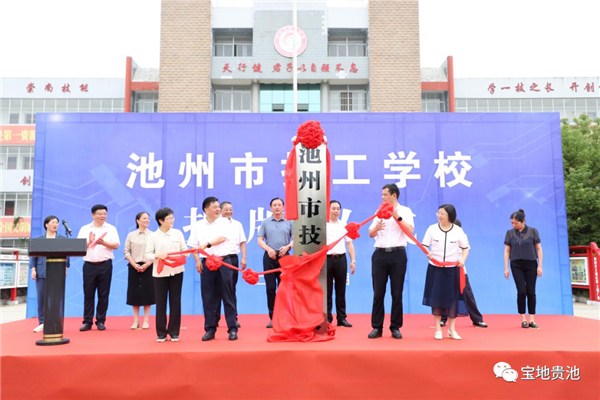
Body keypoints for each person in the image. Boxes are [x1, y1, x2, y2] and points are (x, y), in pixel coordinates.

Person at [187, 197, 238, 341]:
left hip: (223, 261)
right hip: (207, 263)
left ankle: (232, 328)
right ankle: (210, 329)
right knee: (208, 297)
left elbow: (222, 238)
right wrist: (197, 261)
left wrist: (207, 244)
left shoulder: (224, 222)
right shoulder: (197, 225)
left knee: (228, 295)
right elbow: (193, 245)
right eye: (215, 207)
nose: (218, 209)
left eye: (218, 207)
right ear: (206, 209)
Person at [367, 183, 414, 339]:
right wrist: (376, 228)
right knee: (378, 293)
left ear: (394, 195)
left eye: (385, 194)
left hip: (398, 255)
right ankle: (377, 327)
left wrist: (396, 215)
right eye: (382, 195)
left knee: (397, 292)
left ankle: (395, 327)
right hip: (379, 255)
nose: (383, 197)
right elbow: (371, 233)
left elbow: (410, 231)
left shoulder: (405, 211)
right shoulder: (378, 211)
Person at [422, 204, 469, 340]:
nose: (439, 215)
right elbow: (424, 245)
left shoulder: (458, 231)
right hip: (435, 268)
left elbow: (466, 248)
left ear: (450, 215)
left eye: (442, 213)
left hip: (452, 268)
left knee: (452, 299)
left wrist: (463, 260)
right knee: (436, 298)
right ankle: (438, 329)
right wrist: (428, 253)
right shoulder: (432, 229)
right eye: (438, 213)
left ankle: (452, 329)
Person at [145, 207, 187, 342]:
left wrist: (179, 256)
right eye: (169, 218)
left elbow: (185, 250)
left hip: (177, 271)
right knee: (161, 302)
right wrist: (157, 255)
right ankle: (161, 333)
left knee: (176, 301)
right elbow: (147, 255)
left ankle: (174, 332)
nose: (172, 220)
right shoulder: (153, 236)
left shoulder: (177, 233)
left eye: (172, 218)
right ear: (160, 220)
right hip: (160, 273)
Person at [77, 204, 120, 332]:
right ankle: (87, 321)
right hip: (89, 265)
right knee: (88, 294)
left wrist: (104, 242)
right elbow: (79, 246)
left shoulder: (111, 228)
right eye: (100, 214)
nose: (103, 216)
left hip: (105, 265)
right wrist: (90, 242)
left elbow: (116, 245)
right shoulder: (85, 228)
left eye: (105, 214)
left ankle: (101, 321)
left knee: (103, 294)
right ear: (93, 215)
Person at [440, 219, 487, 328]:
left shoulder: (462, 237)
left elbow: (466, 251)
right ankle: (443, 319)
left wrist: (461, 261)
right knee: (445, 295)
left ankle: (477, 319)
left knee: (468, 295)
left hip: (460, 270)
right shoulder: (443, 236)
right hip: (445, 269)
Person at [29, 215, 70, 333]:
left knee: (56, 298)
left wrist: (66, 268)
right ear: (46, 225)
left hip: (57, 271)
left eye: (57, 222)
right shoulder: (39, 240)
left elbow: (67, 255)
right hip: (42, 271)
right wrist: (33, 269)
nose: (55, 224)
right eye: (53, 222)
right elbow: (33, 255)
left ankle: (55, 321)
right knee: (42, 298)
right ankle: (42, 322)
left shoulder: (62, 239)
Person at [257, 197, 293, 328]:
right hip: (270, 257)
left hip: (285, 257)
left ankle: (286, 317)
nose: (277, 207)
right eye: (274, 205)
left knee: (285, 288)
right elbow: (260, 240)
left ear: (283, 207)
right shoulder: (266, 222)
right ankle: (272, 317)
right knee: (270, 288)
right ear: (270, 207)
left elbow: (296, 239)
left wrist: (288, 247)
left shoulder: (289, 222)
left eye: (279, 205)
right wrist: (268, 249)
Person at [504, 209, 543, 329]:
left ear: (523, 221)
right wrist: (506, 267)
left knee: (531, 291)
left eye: (516, 223)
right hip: (516, 264)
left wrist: (540, 265)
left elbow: (539, 249)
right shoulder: (509, 233)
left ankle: (532, 319)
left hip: (531, 264)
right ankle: (523, 319)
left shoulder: (533, 231)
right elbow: (507, 251)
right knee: (521, 291)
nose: (513, 225)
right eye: (512, 223)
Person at [326, 200, 356, 327]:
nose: (336, 211)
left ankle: (342, 318)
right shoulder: (323, 225)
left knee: (341, 290)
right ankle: (327, 318)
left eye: (338, 209)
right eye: (333, 208)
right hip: (326, 259)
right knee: (326, 290)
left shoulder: (344, 225)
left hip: (341, 259)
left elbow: (349, 243)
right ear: (328, 209)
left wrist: (353, 260)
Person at [217, 201, 247, 328]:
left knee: (231, 288)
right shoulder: (215, 224)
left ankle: (233, 318)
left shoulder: (237, 224)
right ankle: (215, 318)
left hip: (233, 258)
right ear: (220, 210)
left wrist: (244, 258)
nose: (229, 211)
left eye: (230, 209)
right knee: (216, 290)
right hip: (219, 259)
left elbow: (242, 242)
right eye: (226, 209)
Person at [124, 211, 155, 330]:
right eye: (144, 218)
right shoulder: (131, 235)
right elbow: (126, 251)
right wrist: (134, 264)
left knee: (148, 293)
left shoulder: (153, 235)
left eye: (148, 218)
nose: (147, 220)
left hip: (149, 266)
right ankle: (135, 320)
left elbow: (156, 252)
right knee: (134, 294)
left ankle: (146, 320)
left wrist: (147, 264)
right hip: (134, 266)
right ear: (138, 220)